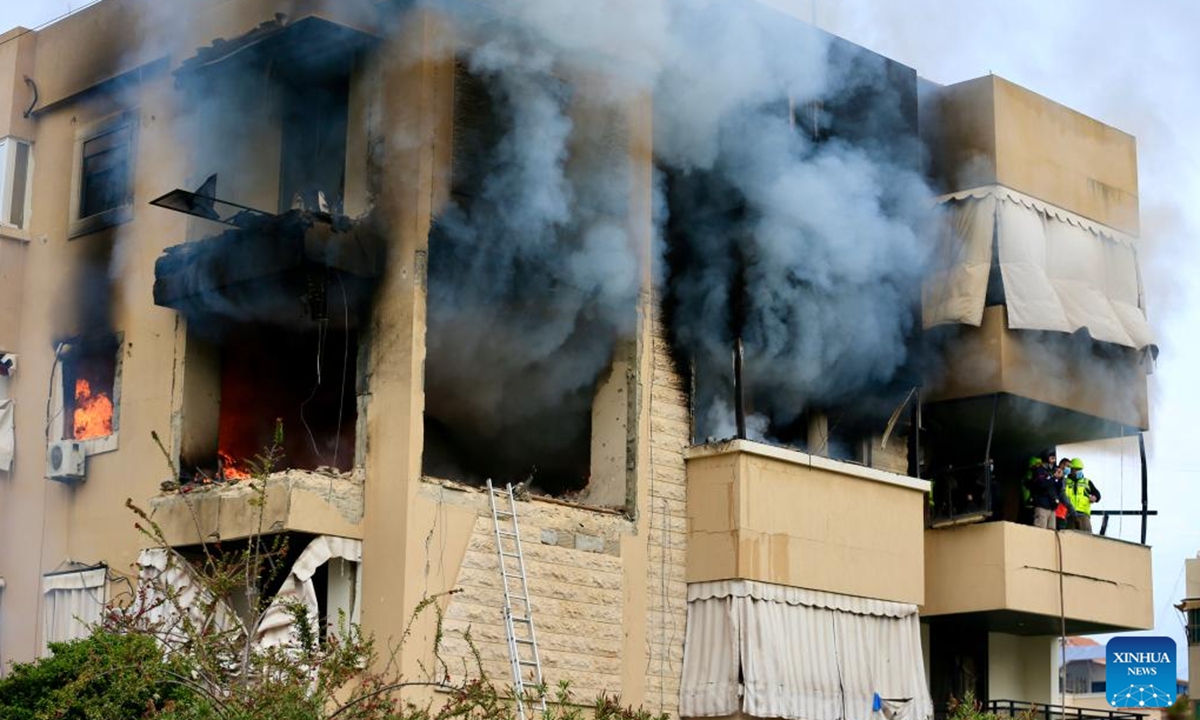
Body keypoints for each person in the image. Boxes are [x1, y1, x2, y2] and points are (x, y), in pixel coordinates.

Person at [1065, 458, 1101, 532]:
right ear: (1071, 470)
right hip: (1069, 514)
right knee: (1069, 538)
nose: (1079, 471)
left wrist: (1095, 497)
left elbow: (1097, 494)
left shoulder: (1087, 482)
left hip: (1083, 515)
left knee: (1086, 537)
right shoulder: (1065, 482)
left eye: (1080, 469)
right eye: (1076, 469)